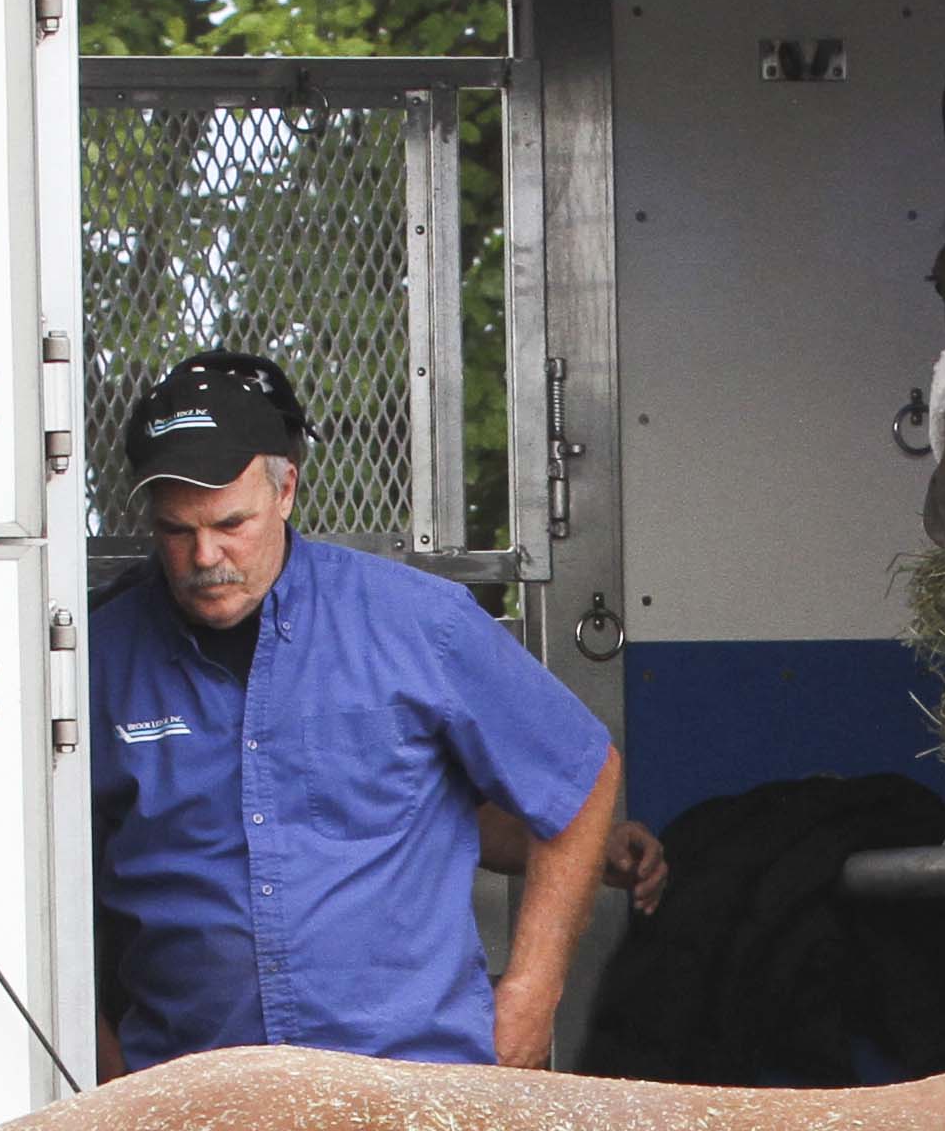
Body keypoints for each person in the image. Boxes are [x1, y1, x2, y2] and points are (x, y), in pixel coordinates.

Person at [86, 349, 654, 1076]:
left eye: (232, 523)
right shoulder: (101, 660)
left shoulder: (419, 622)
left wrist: (532, 993)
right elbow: (42, 882)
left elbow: (580, 777)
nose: (206, 556)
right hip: (195, 1099)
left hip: (412, 1083)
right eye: (176, 531)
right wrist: (100, 1066)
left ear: (285, 488)